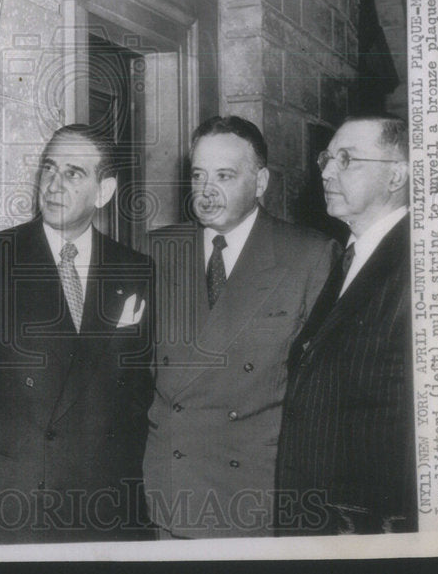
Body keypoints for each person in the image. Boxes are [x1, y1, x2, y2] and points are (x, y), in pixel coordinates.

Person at [0, 124, 154, 545]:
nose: (53, 184)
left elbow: (142, 385)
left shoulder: (136, 269)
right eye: (49, 169)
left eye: (73, 173)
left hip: (106, 507)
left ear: (103, 191)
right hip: (18, 504)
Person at [143, 116, 338, 538]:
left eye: (225, 176)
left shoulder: (309, 256)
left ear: (261, 181)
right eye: (198, 175)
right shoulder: (156, 250)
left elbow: (322, 396)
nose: (207, 191)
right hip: (173, 494)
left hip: (253, 496)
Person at [275, 114, 415, 535]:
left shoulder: (418, 264)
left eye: (347, 159)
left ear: (396, 176)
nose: (327, 172)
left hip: (365, 528)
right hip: (318, 520)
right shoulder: (348, 257)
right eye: (326, 158)